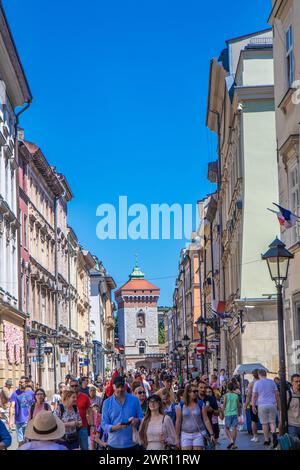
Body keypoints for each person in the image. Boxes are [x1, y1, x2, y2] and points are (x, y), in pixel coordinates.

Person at [101, 375, 143, 450]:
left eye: (122, 386)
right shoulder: (107, 403)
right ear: (113, 386)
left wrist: (136, 420)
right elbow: (104, 424)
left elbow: (142, 419)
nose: (120, 389)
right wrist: (116, 427)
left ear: (125, 386)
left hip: (132, 443)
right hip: (114, 444)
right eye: (118, 387)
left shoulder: (134, 400)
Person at [175, 384, 215, 450]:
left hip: (198, 433)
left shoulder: (201, 404)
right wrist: (177, 438)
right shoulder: (181, 405)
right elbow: (178, 422)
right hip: (185, 434)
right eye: (194, 391)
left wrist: (211, 434)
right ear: (188, 392)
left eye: (197, 391)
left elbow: (206, 419)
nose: (196, 393)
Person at [252, 370, 280, 448]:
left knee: (264, 423)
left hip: (262, 405)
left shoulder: (257, 383)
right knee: (272, 421)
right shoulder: (272, 382)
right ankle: (274, 434)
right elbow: (277, 394)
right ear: (266, 374)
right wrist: (278, 404)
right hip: (272, 404)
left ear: (259, 375)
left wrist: (253, 405)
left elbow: (254, 395)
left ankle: (266, 440)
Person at [9, 376, 34, 447]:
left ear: (26, 383)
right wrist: (10, 421)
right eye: (19, 382)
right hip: (18, 421)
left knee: (27, 442)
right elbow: (12, 406)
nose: (20, 383)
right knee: (20, 443)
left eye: (22, 382)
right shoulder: (15, 393)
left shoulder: (31, 393)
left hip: (28, 421)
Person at [69, 378, 93, 450]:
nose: (74, 387)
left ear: (79, 386)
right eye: (72, 386)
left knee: (85, 448)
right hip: (70, 428)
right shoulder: (66, 397)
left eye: (76, 385)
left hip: (83, 427)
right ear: (69, 387)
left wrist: (92, 425)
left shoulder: (85, 396)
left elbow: (89, 411)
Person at [223, 382, 242, 450]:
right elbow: (238, 405)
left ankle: (231, 440)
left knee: (227, 428)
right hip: (234, 414)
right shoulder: (236, 395)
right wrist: (239, 413)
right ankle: (233, 444)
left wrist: (222, 411)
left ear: (227, 388)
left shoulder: (226, 395)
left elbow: (224, 404)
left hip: (228, 414)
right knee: (234, 428)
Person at [245, 369, 260, 442]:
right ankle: (268, 437)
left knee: (254, 421)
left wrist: (246, 405)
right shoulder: (262, 382)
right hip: (262, 404)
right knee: (265, 422)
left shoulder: (251, 384)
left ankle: (255, 436)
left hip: (253, 404)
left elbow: (248, 395)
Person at [286, 374, 300, 439]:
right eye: (296, 381)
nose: (299, 383)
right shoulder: (288, 394)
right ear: (292, 382)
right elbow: (282, 410)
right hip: (292, 425)